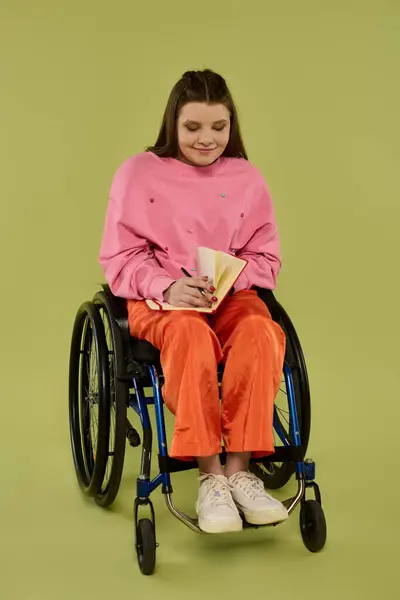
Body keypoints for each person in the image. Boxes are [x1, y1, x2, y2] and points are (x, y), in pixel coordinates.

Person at [99, 69, 288, 534]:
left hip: (229, 295)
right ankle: (211, 477)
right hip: (161, 300)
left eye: (218, 128)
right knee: (189, 334)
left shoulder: (246, 177)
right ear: (173, 124)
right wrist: (166, 286)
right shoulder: (137, 172)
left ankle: (240, 470)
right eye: (193, 128)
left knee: (262, 332)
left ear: (231, 126)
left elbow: (265, 255)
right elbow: (120, 255)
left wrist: (228, 277)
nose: (207, 139)